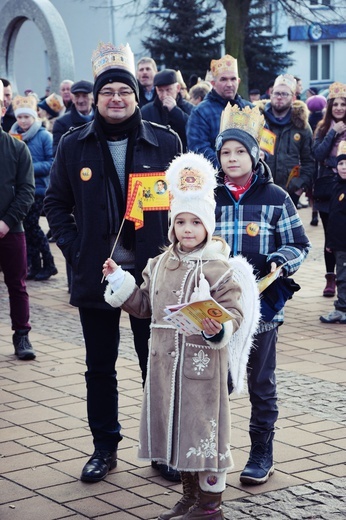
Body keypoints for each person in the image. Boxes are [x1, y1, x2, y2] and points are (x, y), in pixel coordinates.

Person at [44, 42, 182, 484]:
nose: (116, 98)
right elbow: (56, 204)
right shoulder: (72, 145)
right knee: (99, 366)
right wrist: (79, 249)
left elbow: (184, 204)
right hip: (97, 276)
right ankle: (104, 448)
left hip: (152, 276)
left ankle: (162, 449)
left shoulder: (164, 141)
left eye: (124, 90)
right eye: (108, 93)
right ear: (96, 99)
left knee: (154, 364)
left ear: (135, 95)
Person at [102, 152, 255, 520]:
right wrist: (120, 282)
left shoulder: (219, 268)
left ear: (208, 225)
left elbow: (234, 313)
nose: (187, 229)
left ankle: (210, 504)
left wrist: (215, 324)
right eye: (181, 221)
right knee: (176, 431)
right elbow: (144, 307)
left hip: (200, 369)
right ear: (172, 225)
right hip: (163, 365)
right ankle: (189, 496)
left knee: (202, 431)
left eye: (195, 222)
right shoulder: (158, 264)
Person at [214, 104, 311, 485]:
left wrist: (280, 259)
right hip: (216, 307)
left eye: (240, 151)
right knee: (213, 381)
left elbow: (299, 244)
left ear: (254, 154)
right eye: (226, 152)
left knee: (261, 382)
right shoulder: (210, 196)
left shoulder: (275, 197)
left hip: (261, 308)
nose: (233, 158)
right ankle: (209, 449)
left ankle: (261, 451)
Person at [0, 80, 36, 360]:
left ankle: (21, 335)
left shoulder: (17, 149)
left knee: (17, 285)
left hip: (11, 230)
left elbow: (26, 191)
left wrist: (7, 221)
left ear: (3, 110)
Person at [10, 95, 57, 281]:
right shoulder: (13, 135)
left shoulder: (44, 136)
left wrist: (27, 168)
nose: (23, 121)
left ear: (34, 117)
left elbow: (52, 163)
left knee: (33, 227)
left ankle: (49, 262)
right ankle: (35, 266)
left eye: (26, 117)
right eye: (20, 117)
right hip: (19, 191)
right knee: (28, 229)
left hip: (38, 190)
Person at [186, 54, 252, 168]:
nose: (229, 84)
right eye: (223, 79)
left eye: (233, 79)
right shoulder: (200, 113)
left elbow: (265, 142)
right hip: (217, 180)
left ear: (239, 81)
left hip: (250, 179)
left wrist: (261, 155)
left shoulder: (250, 110)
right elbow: (199, 148)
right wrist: (227, 168)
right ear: (213, 83)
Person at [312, 82, 346, 297]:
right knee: (330, 236)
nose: (340, 108)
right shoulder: (324, 128)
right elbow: (318, 154)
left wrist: (331, 163)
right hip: (327, 189)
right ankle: (330, 278)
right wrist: (333, 132)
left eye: (344, 104)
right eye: (336, 104)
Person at [262, 73, 315, 207]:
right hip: (261, 189)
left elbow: (309, 160)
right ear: (270, 94)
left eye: (285, 94)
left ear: (293, 98)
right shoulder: (258, 121)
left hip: (289, 192)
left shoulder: (302, 126)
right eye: (276, 93)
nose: (279, 97)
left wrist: (299, 187)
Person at [320, 141, 346, 324]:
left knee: (343, 277)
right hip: (337, 242)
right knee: (341, 275)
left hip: (344, 243)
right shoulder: (337, 185)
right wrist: (330, 242)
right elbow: (334, 218)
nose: (344, 167)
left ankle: (342, 309)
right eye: (341, 163)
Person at [141, 68, 193, 151]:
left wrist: (175, 111)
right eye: (160, 90)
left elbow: (193, 131)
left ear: (178, 88)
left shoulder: (190, 108)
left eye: (168, 90)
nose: (164, 95)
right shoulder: (146, 111)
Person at [52, 80, 94, 155]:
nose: (80, 100)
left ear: (92, 98)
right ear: (73, 99)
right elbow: (57, 153)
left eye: (85, 96)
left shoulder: (103, 119)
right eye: (77, 96)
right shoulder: (61, 123)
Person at [306, 95, 327, 227]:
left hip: (310, 158)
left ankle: (314, 212)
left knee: (312, 187)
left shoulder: (308, 119)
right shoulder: (324, 121)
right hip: (321, 161)